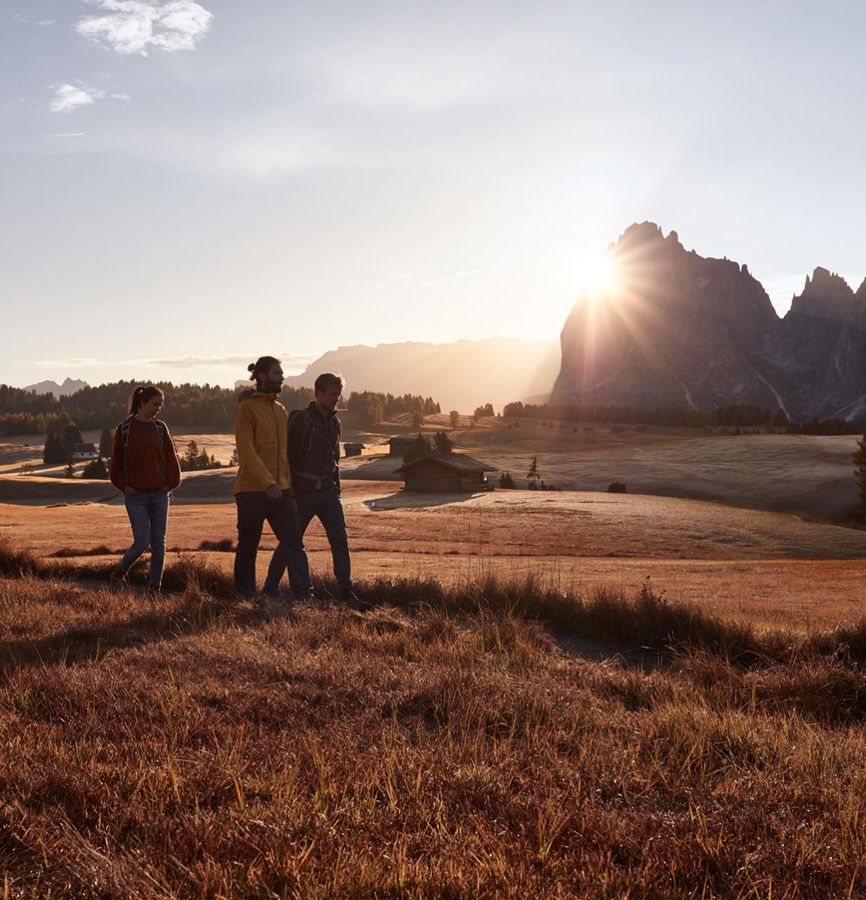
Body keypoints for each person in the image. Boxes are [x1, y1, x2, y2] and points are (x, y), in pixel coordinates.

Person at [282, 372, 370, 611]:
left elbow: (335, 457)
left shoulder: (335, 422)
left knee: (340, 541)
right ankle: (279, 590)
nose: (335, 400)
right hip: (303, 492)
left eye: (338, 396)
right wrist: (289, 492)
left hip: (329, 493)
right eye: (332, 395)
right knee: (290, 543)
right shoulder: (300, 420)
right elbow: (287, 457)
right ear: (318, 393)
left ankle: (346, 593)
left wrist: (336, 487)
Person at [233, 355, 311, 606]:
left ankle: (303, 595)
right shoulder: (246, 409)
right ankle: (245, 598)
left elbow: (284, 453)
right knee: (248, 547)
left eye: (282, 372)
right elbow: (246, 450)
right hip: (252, 490)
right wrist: (268, 482)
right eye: (277, 373)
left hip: (283, 490)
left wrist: (287, 485)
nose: (283, 377)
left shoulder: (280, 410)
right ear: (263, 376)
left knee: (293, 542)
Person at [110, 385, 182, 593]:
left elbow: (171, 458)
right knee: (142, 542)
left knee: (159, 546)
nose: (158, 408)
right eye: (155, 404)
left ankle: (154, 588)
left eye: (160, 404)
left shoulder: (160, 428)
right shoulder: (124, 429)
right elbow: (116, 463)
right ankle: (119, 573)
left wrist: (171, 483)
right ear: (142, 403)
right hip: (136, 496)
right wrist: (125, 486)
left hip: (160, 494)